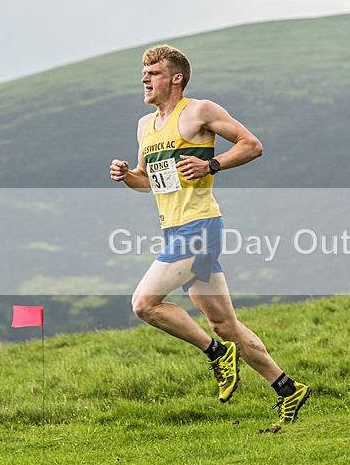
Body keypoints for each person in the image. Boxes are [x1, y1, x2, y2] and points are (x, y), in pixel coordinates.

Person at [109, 44, 311, 424]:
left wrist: (211, 164)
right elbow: (147, 184)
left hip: (200, 228)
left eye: (152, 73)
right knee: (225, 324)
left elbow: (252, 145)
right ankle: (287, 387)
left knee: (144, 304)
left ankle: (216, 354)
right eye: (144, 73)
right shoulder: (144, 126)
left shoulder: (199, 111)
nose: (144, 79)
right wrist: (126, 177)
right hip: (174, 232)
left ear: (175, 78)